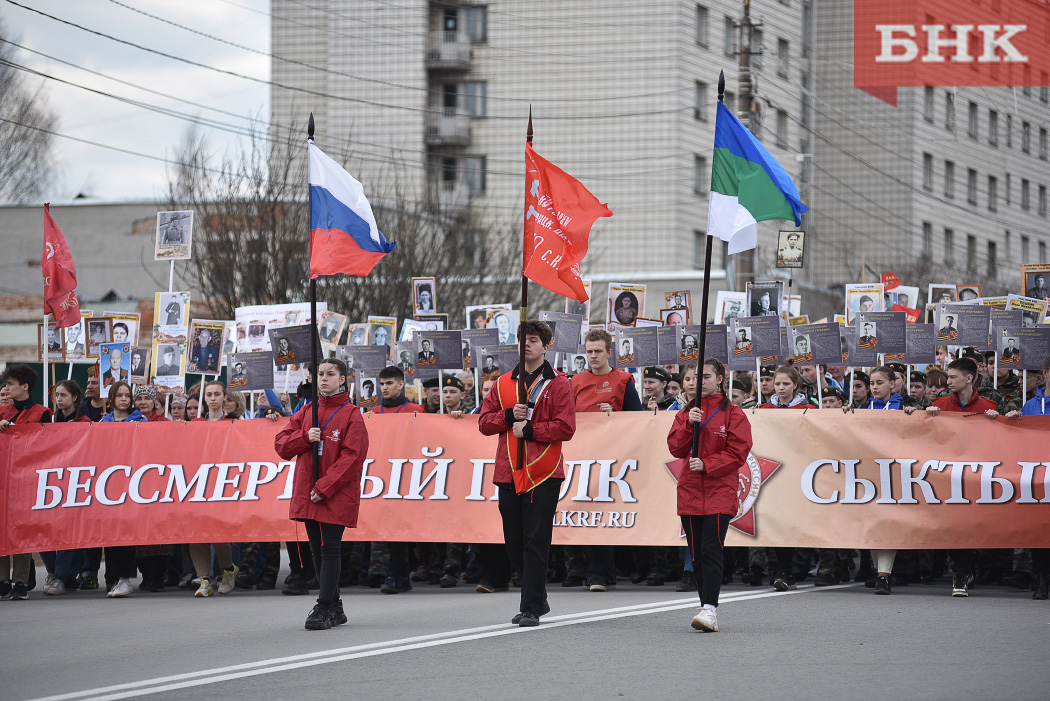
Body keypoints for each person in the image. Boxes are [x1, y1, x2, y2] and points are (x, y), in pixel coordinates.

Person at [478, 321, 575, 627]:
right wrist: (509, 416)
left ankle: (531, 605)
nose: (527, 345)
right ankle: (537, 597)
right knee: (514, 541)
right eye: (523, 340)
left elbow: (566, 427)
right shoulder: (503, 383)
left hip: (543, 472)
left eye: (533, 340)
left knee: (535, 540)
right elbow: (484, 423)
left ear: (546, 346)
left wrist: (530, 429)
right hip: (508, 471)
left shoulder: (559, 383)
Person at [275, 358, 368, 630]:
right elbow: (281, 445)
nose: (323, 379)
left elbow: (353, 457)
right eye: (320, 374)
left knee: (330, 549)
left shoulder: (352, 414)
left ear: (342, 379)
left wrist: (324, 487)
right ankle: (335, 605)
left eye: (330, 374)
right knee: (316, 549)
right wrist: (305, 437)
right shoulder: (306, 412)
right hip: (308, 490)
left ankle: (324, 605)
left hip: (333, 493)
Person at [666, 357, 753, 632]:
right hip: (690, 491)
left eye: (704, 377)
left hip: (719, 489)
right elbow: (675, 448)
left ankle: (711, 609)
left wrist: (708, 464)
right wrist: (686, 424)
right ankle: (705, 606)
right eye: (692, 378)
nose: (697, 383)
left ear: (719, 379)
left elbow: (738, 451)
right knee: (696, 553)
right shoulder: (684, 413)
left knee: (711, 548)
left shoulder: (734, 413)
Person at [916, 357, 998, 597]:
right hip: (945, 475)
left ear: (969, 378)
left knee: (968, 524)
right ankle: (961, 571)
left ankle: (963, 571)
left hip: (975, 476)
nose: (947, 381)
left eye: (952, 377)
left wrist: (999, 420)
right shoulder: (938, 404)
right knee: (951, 524)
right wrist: (925, 417)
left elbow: (1005, 436)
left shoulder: (988, 405)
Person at [569, 329, 642, 592]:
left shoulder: (623, 380)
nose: (593, 356)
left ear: (609, 352)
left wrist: (615, 415)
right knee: (585, 512)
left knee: (603, 513)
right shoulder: (575, 382)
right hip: (582, 457)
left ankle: (598, 573)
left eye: (598, 351)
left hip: (614, 458)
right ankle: (598, 571)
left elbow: (638, 419)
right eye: (589, 351)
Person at [0, 365, 53, 600]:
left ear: (25, 387)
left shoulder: (42, 412)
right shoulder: (1, 411)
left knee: (21, 532)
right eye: (6, 383)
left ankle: (20, 581)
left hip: (28, 479)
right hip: (3, 478)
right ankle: (2, 580)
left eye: (10, 384)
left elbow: (47, 444)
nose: (6, 388)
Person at [189, 381, 240, 597]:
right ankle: (204, 579)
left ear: (224, 397)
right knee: (195, 533)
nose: (212, 398)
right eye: (208, 394)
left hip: (224, 482)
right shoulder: (195, 423)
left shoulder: (234, 422)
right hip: (199, 481)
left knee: (218, 531)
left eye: (217, 394)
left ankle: (228, 569)